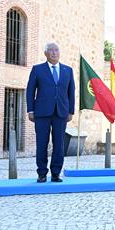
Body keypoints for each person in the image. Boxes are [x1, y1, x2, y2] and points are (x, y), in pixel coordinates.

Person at [26, 42, 75, 183]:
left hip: (61, 112)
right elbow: (30, 90)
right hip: (41, 113)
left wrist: (71, 110)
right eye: (51, 50)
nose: (54, 53)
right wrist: (30, 109)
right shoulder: (37, 69)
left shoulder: (68, 70)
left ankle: (56, 173)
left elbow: (71, 92)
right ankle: (42, 173)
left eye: (56, 50)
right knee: (42, 143)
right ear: (46, 54)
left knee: (59, 144)